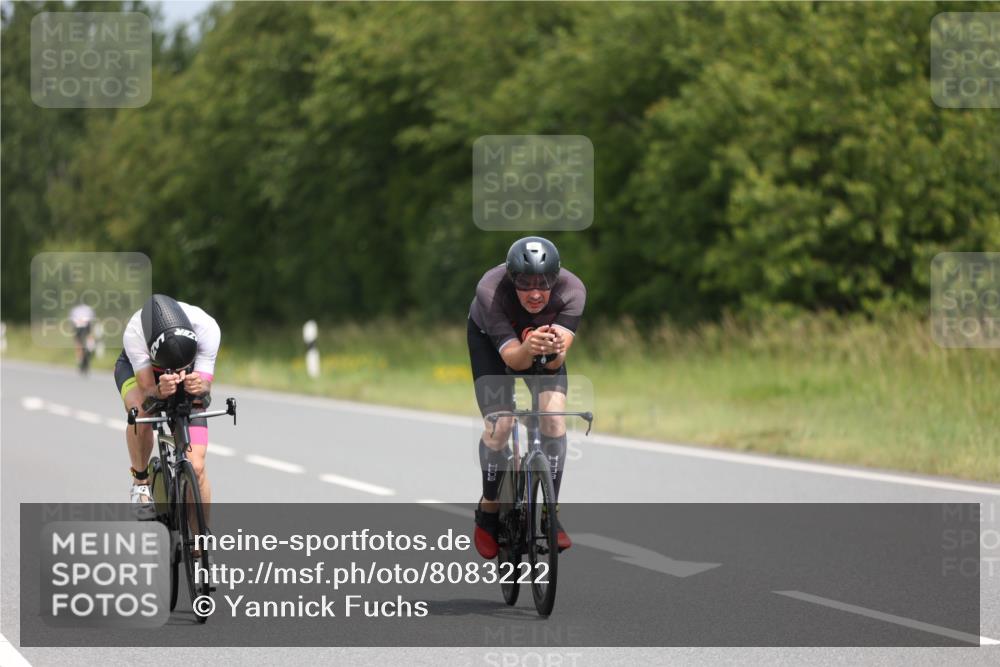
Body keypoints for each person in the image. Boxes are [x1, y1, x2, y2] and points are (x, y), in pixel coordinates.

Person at [467, 236, 586, 559]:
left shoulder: (572, 290)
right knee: (501, 424)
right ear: (510, 278)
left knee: (554, 418)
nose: (535, 293)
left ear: (556, 277)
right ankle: (488, 509)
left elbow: (556, 363)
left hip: (541, 345)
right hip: (491, 344)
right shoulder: (490, 291)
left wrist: (550, 350)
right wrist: (528, 347)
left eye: (544, 282)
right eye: (524, 283)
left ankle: (550, 512)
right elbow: (512, 361)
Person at [113, 294, 220, 521]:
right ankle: (141, 483)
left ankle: (199, 542)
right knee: (140, 410)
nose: (178, 370)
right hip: (142, 371)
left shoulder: (207, 328)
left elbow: (204, 389)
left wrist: (199, 385)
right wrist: (159, 392)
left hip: (190, 366)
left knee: (197, 466)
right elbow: (147, 390)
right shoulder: (136, 332)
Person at [69, 303, 96, 374]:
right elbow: (91, 320)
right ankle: (81, 361)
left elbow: (72, 321)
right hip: (81, 327)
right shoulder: (87, 309)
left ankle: (82, 359)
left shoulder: (76, 309)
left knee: (79, 344)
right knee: (79, 344)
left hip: (81, 327)